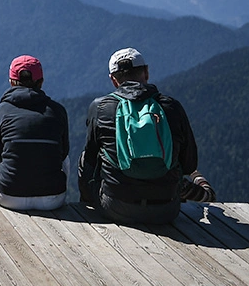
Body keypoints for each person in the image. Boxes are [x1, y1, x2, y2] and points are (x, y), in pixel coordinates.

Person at [78, 47, 207, 224]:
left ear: (113, 80)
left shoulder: (100, 107)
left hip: (116, 207)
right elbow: (189, 164)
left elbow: (90, 161)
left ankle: (86, 209)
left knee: (85, 157)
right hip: (167, 210)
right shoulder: (171, 107)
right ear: (146, 72)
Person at [0, 55, 69, 211]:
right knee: (65, 158)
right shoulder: (58, 111)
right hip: (53, 198)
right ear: (41, 82)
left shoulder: (2, 111)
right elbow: (64, 152)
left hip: (10, 196)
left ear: (11, 82)